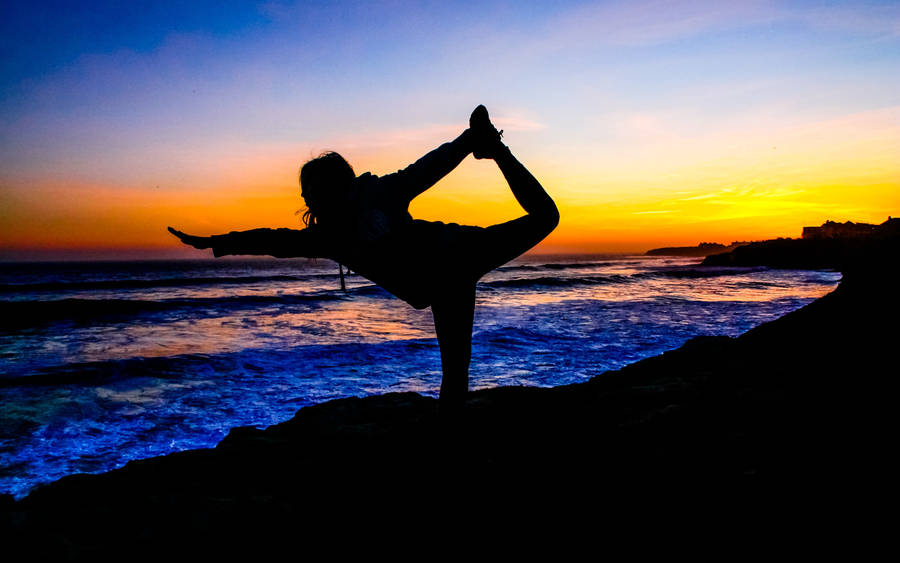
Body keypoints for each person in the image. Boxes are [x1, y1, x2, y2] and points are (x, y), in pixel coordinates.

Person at [169, 106, 559, 413]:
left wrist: (467, 140)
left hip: (457, 251)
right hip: (443, 283)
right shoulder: (328, 238)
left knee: (547, 217)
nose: (304, 200)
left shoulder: (380, 194)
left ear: (329, 188)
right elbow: (274, 240)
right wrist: (216, 241)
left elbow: (427, 168)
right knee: (454, 378)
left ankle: (494, 149)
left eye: (309, 191)